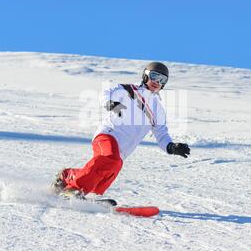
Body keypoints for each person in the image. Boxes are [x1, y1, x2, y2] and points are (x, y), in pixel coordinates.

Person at [51, 62, 190, 200]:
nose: (157, 82)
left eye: (162, 80)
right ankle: (73, 189)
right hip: (108, 135)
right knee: (109, 159)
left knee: (110, 168)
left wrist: (172, 147)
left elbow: (161, 134)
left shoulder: (157, 110)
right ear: (145, 76)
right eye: (154, 76)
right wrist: (111, 104)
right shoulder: (129, 90)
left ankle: (71, 178)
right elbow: (106, 94)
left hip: (123, 151)